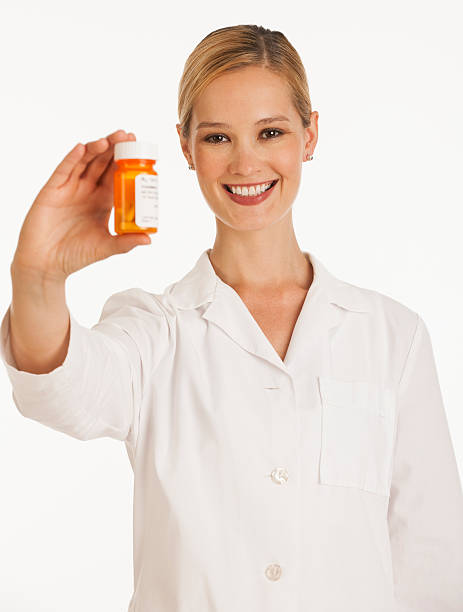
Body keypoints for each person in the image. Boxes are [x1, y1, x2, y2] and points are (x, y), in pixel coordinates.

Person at [1, 24, 462, 612]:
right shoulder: (155, 330)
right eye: (218, 137)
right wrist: (37, 277)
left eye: (271, 131)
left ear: (310, 134)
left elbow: (431, 558)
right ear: (186, 148)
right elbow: (59, 389)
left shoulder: (391, 336)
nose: (246, 162)